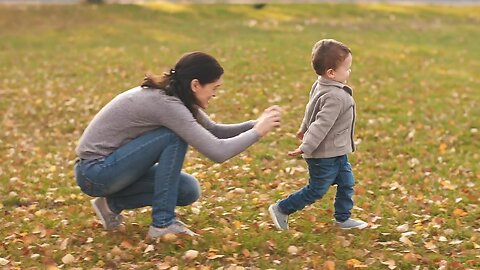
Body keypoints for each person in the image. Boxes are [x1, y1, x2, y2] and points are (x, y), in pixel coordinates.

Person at [74, 51, 281, 239]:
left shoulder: (176, 94)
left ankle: (110, 205)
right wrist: (258, 132)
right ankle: (163, 224)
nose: (214, 94)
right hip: (95, 172)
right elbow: (218, 151)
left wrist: (256, 124)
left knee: (187, 190)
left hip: (110, 168)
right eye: (213, 88)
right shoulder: (167, 104)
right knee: (174, 136)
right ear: (195, 85)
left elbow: (213, 130)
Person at [268, 39, 367, 230]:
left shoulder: (321, 85)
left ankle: (343, 219)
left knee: (347, 182)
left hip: (337, 151)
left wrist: (303, 127)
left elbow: (311, 109)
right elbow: (321, 124)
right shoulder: (335, 97)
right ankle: (281, 209)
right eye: (347, 68)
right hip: (323, 155)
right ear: (331, 73)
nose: (350, 72)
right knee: (316, 190)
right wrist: (305, 145)